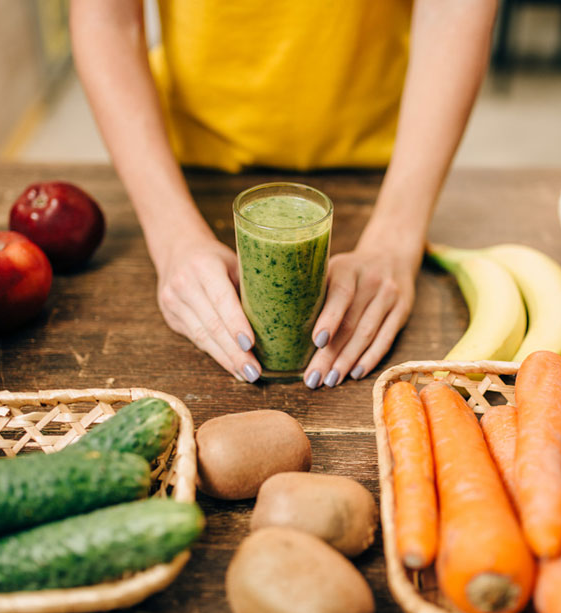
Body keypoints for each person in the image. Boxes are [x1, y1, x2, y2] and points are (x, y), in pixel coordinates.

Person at [70, 0, 496, 388]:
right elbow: (106, 18)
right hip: (192, 162)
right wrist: (171, 235)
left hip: (386, 160)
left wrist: (396, 237)